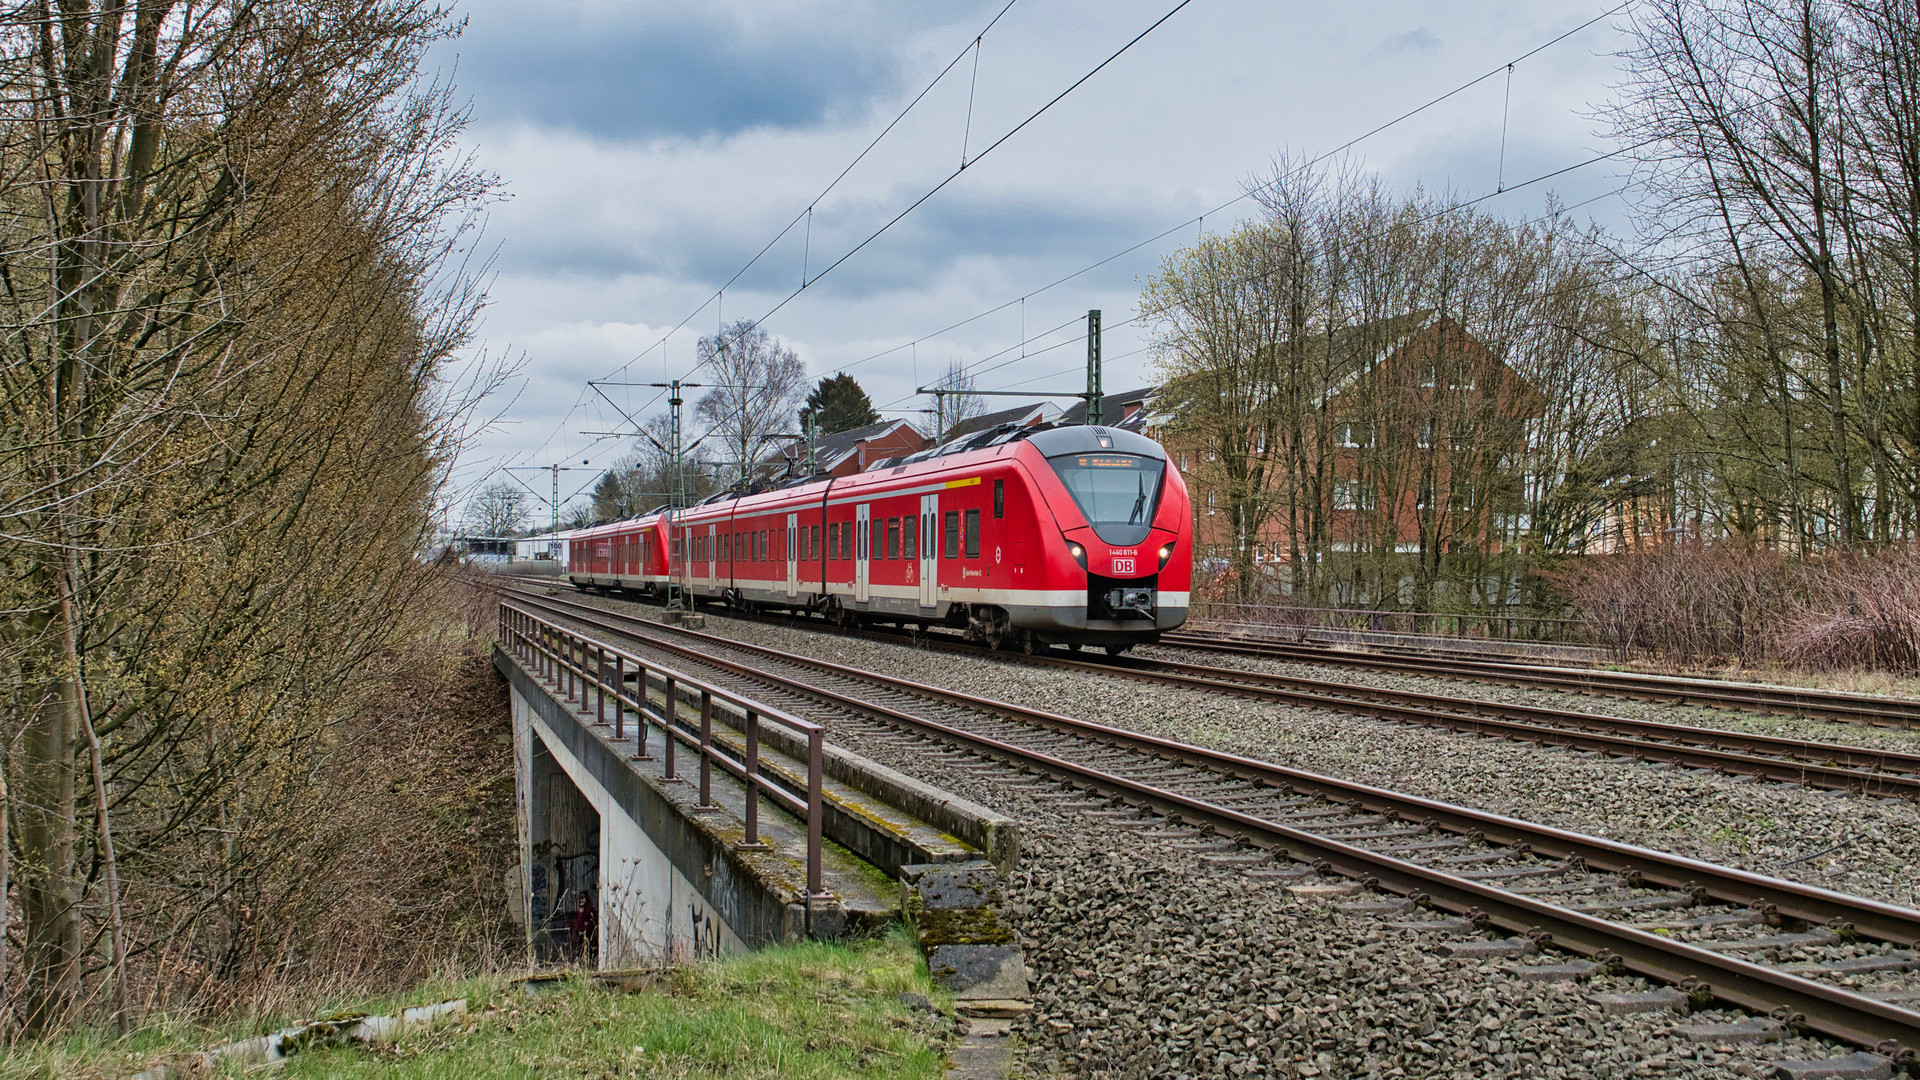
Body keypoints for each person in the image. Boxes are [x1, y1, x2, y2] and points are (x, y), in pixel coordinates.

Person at [570, 891, 597, 961]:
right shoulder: (581, 907)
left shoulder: (589, 907)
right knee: (579, 947)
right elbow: (579, 919)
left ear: (586, 898)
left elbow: (587, 918)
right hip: (579, 930)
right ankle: (579, 960)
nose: (581, 900)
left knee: (586, 947)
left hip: (587, 931)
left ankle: (587, 960)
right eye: (580, 899)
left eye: (583, 898)